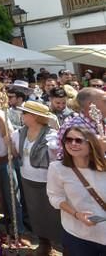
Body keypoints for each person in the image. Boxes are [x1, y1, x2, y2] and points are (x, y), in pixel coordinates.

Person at [11, 100, 62, 256]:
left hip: (48, 182)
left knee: (53, 216)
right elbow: (15, 153)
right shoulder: (20, 133)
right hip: (28, 180)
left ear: (34, 116)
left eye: (25, 113)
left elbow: (57, 160)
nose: (22, 115)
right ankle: (44, 244)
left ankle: (61, 246)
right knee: (35, 214)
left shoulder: (51, 135)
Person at [47, 126, 106, 255]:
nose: (73, 144)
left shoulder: (103, 167)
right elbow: (55, 197)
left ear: (91, 143)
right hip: (78, 235)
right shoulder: (57, 168)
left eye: (78, 140)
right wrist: (76, 214)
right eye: (68, 140)